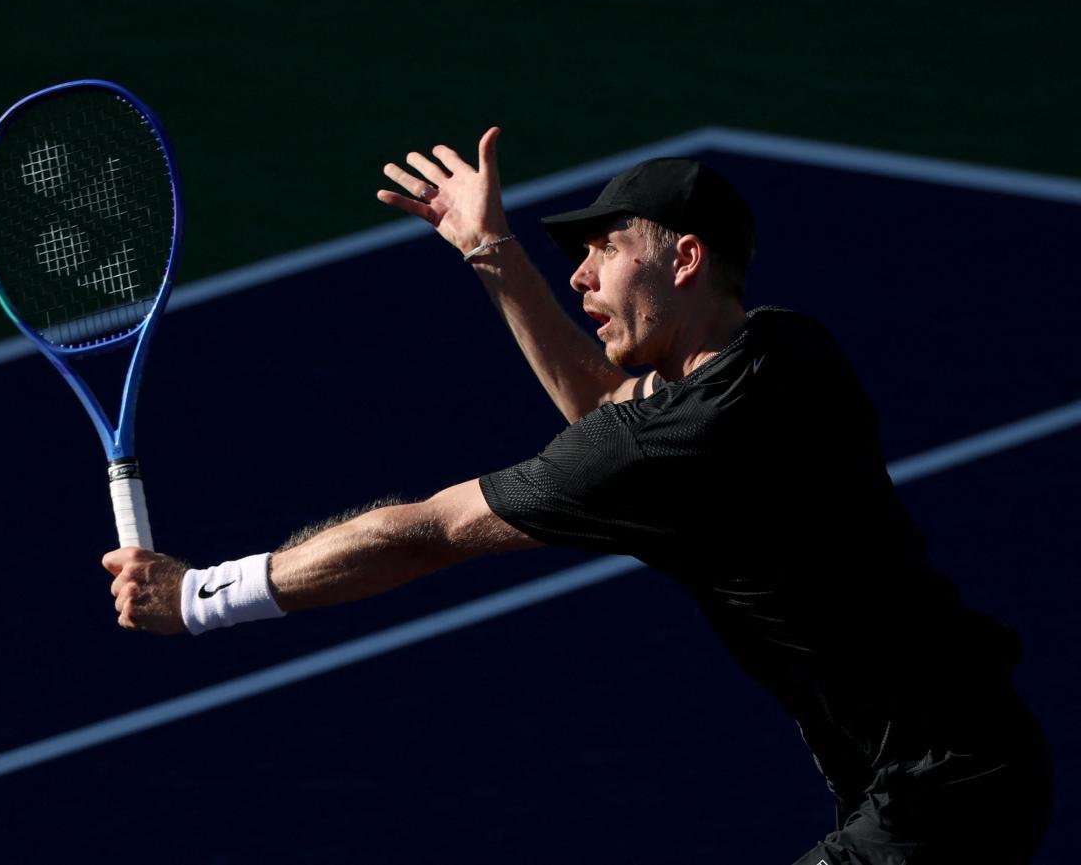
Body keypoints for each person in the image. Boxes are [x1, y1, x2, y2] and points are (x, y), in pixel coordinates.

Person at [103, 128, 1052, 864]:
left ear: (684, 259)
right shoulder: (789, 346)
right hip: (972, 761)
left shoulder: (673, 441)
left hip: (934, 797)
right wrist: (491, 249)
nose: (581, 273)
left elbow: (425, 532)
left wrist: (197, 596)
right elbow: (609, 413)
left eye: (606, 248)